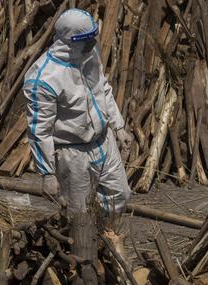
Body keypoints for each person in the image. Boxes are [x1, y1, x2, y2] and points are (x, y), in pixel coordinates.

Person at [23, 8, 132, 214]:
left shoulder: (89, 55)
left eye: (94, 37)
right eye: (87, 39)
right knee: (79, 214)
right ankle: (86, 244)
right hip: (73, 155)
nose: (93, 43)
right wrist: (47, 173)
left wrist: (118, 127)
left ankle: (106, 238)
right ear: (69, 41)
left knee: (120, 196)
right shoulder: (43, 79)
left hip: (104, 142)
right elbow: (40, 130)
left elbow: (103, 89)